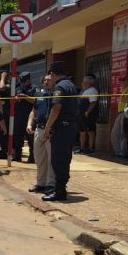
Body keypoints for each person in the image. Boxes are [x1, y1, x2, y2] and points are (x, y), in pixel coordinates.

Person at [42, 61, 80, 201]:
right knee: (64, 158)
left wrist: (47, 127)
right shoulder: (70, 85)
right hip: (69, 127)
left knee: (58, 159)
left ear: (52, 73)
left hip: (61, 128)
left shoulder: (60, 87)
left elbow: (56, 107)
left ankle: (60, 191)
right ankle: (60, 188)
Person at [27, 73, 56, 193]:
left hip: (51, 130)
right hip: (39, 129)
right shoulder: (39, 93)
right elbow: (33, 111)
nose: (46, 82)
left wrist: (49, 128)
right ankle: (40, 183)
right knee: (39, 158)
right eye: (45, 80)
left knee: (51, 159)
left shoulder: (56, 94)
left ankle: (50, 184)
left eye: (49, 80)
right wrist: (29, 124)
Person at [9, 72, 36, 163]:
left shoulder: (34, 89)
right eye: (22, 81)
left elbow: (35, 101)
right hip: (18, 117)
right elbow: (11, 101)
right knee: (17, 137)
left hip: (29, 117)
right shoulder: (18, 88)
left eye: (25, 81)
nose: (23, 83)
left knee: (30, 138)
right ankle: (17, 156)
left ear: (29, 80)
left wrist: (25, 97)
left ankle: (32, 156)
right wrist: (15, 99)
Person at [78, 74, 99, 154]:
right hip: (81, 115)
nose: (82, 83)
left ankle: (90, 148)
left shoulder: (93, 90)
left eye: (84, 82)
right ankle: (82, 148)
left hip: (89, 115)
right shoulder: (84, 91)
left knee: (90, 131)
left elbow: (93, 102)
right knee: (82, 131)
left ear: (88, 83)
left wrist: (87, 112)